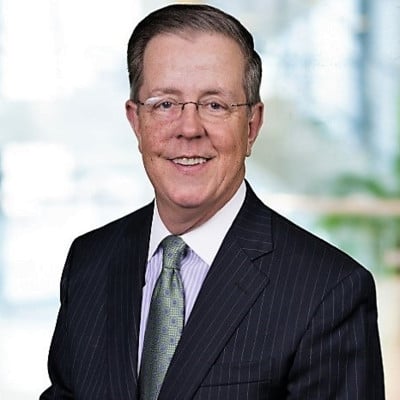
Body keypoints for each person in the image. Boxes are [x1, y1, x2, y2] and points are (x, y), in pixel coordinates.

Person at [40, 4, 385, 400]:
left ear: (252, 125)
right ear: (136, 121)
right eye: (165, 104)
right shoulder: (89, 262)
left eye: (215, 105)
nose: (189, 128)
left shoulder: (329, 291)